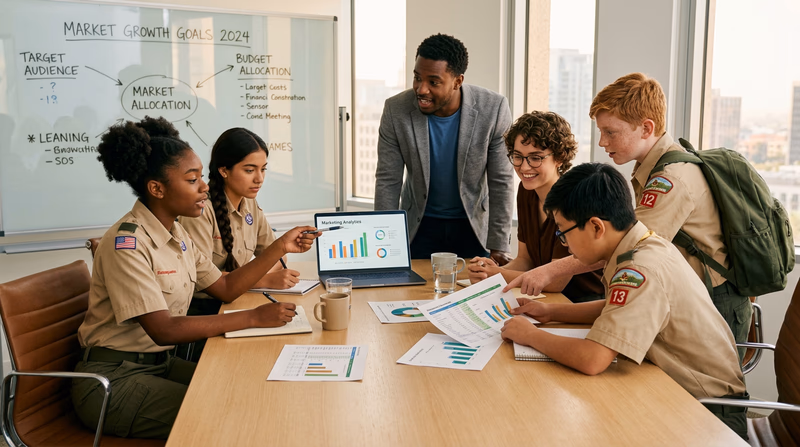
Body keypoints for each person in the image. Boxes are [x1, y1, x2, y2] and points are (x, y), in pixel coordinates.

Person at [71, 117, 319, 439]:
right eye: (192, 180)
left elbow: (226, 287)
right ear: (157, 189)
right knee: (229, 412)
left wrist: (280, 246)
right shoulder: (127, 244)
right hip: (113, 383)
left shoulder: (175, 233)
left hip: (157, 365)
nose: (204, 186)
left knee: (250, 389)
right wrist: (253, 317)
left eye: (201, 177)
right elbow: (163, 329)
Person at [506, 73, 751, 358]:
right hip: (672, 298)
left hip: (710, 301)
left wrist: (550, 270)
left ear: (646, 128)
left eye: (611, 132)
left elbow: (628, 247)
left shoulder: (670, 179)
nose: (602, 142)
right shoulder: (650, 169)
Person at [500, 162, 749, 440]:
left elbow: (592, 360)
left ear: (596, 227)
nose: (565, 244)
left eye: (563, 232)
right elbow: (617, 309)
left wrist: (531, 335)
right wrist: (550, 312)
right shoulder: (642, 244)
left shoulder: (640, 268)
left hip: (707, 414)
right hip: (680, 392)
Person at [374, 33, 514, 264]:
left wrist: (499, 244)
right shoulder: (395, 110)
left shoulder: (494, 108)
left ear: (458, 81)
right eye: (417, 78)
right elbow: (388, 180)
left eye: (433, 82)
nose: (421, 89)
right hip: (419, 226)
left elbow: (502, 180)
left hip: (472, 226)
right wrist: (384, 241)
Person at [467, 111, 603, 302]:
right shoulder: (527, 190)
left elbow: (556, 282)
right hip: (544, 297)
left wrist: (494, 275)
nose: (524, 167)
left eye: (536, 157)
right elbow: (525, 260)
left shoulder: (574, 199)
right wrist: (487, 272)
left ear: (560, 158)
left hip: (579, 302)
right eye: (518, 156)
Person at [179, 128, 299, 318]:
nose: (259, 179)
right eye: (250, 170)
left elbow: (277, 255)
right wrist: (263, 280)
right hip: (205, 312)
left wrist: (255, 278)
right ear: (224, 170)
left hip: (240, 300)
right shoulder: (200, 211)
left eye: (263, 169)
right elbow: (204, 280)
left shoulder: (249, 202)